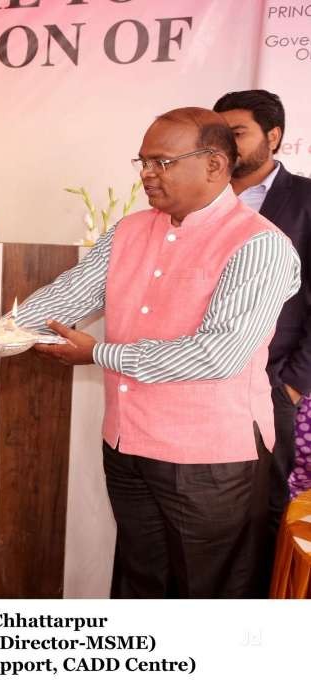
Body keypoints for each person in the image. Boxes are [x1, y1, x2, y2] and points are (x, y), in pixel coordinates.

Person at [15, 107, 300, 598]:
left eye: (161, 162)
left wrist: (100, 354)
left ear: (214, 164)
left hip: (207, 458)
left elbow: (218, 355)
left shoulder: (259, 244)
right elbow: (68, 297)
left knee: (207, 593)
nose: (147, 174)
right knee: (139, 581)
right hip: (127, 443)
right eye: (143, 162)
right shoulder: (130, 230)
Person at [213, 90, 311, 590]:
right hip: (200, 381)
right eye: (219, 134)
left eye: (238, 133)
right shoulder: (202, 198)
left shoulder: (306, 200)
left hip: (272, 382)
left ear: (273, 136)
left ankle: (253, 619)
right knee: (204, 511)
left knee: (261, 511)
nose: (226, 145)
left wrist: (292, 384)